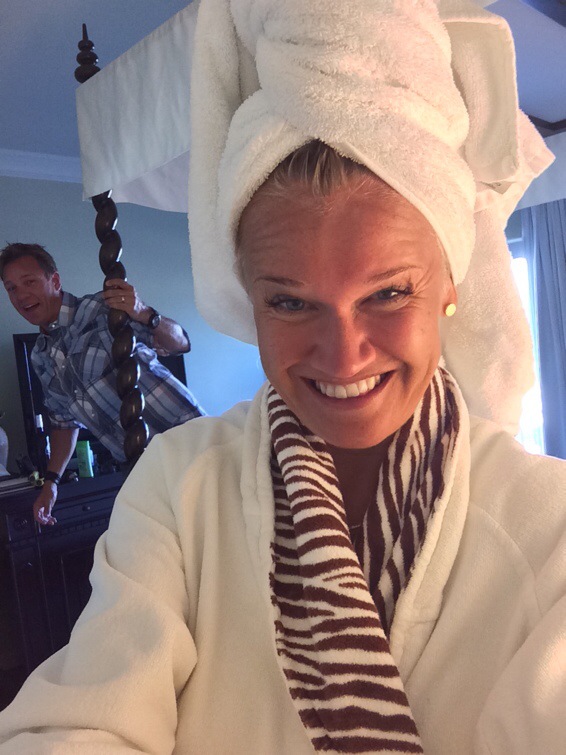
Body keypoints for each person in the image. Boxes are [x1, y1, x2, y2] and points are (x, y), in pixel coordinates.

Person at [0, 1, 565, 753]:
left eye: (388, 293)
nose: (343, 356)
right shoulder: (176, 488)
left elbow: (172, 341)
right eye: (291, 302)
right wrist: (48, 481)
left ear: (449, 286)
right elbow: (82, 717)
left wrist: (143, 314)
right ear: (249, 301)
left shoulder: (548, 527)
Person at [0, 242, 203, 526]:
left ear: (54, 280)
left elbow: (180, 344)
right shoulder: (40, 357)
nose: (21, 295)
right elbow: (64, 424)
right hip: (141, 469)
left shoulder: (102, 307)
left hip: (190, 443)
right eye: (11, 288)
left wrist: (145, 313)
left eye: (29, 282)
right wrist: (51, 483)